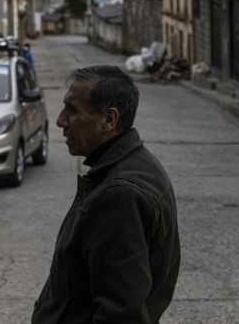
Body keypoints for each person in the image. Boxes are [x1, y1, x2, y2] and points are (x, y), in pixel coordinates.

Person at [32, 66, 180, 324]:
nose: (60, 121)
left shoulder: (119, 194)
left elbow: (121, 314)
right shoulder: (136, 164)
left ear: (109, 120)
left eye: (72, 110)